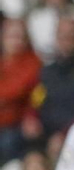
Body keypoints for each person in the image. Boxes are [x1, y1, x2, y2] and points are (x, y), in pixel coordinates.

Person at [0, 15, 41, 162]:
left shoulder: (32, 62)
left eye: (19, 36)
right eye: (10, 36)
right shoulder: (3, 61)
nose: (14, 41)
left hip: (16, 123)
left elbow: (18, 90)